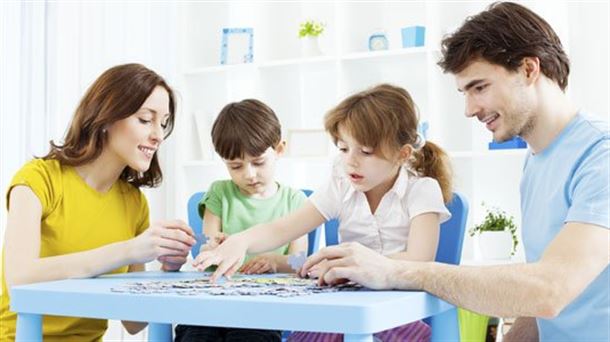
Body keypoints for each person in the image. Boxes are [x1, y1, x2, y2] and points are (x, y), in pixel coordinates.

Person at [298, 2, 609, 341]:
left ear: (529, 69)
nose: (470, 109)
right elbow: (540, 311)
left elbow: (549, 290)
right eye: (465, 93)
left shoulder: (600, 157)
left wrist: (396, 270)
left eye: (480, 87)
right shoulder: (537, 162)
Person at [193, 84, 453, 342]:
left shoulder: (422, 190)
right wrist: (242, 241)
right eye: (343, 148)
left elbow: (419, 258)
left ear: (402, 154)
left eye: (365, 151)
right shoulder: (341, 183)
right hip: (347, 305)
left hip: (397, 308)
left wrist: (349, 265)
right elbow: (283, 229)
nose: (350, 161)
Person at [1, 63, 197, 341]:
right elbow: (20, 278)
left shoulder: (134, 202)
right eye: (145, 119)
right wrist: (129, 249)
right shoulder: (37, 180)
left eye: (163, 123)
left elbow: (134, 322)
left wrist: (166, 270)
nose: (158, 135)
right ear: (106, 118)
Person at [174, 99, 308, 342]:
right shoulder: (219, 193)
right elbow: (207, 243)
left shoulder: (295, 201)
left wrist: (275, 261)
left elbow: (300, 261)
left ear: (279, 150)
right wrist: (214, 247)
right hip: (212, 302)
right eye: (235, 166)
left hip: (263, 306)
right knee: (195, 335)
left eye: (258, 162)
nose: (249, 174)